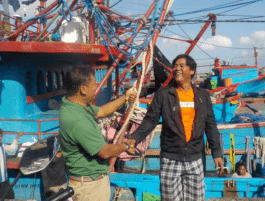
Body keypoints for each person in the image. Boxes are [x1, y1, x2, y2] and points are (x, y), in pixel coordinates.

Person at [130, 54, 223, 201]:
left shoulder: (202, 95)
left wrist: (217, 153)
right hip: (170, 158)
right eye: (175, 66)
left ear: (192, 71)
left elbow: (210, 124)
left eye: (181, 65)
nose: (177, 69)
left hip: (195, 158)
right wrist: (134, 139)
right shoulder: (163, 94)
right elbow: (150, 120)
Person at [59, 66, 137, 201]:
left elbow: (101, 111)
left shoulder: (75, 105)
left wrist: (125, 97)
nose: (96, 88)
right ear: (83, 89)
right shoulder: (78, 120)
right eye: (93, 85)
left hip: (86, 183)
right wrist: (125, 146)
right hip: (90, 188)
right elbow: (105, 152)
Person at [0, 129, 25, 199]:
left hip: (3, 178)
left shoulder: (2, 146)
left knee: (10, 195)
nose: (0, 138)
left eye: (1, 136)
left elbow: (11, 148)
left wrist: (17, 138)